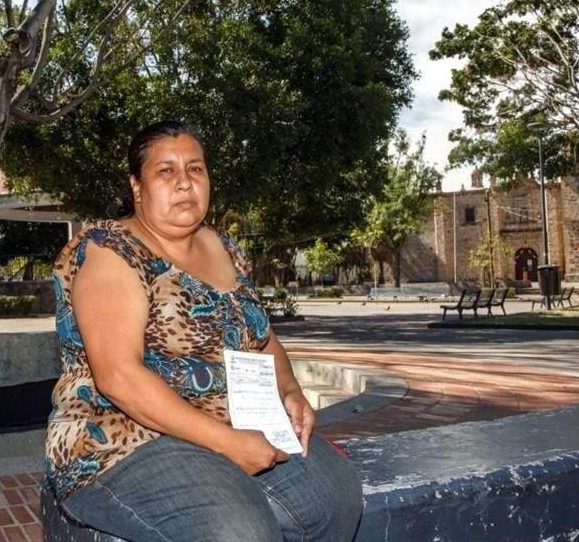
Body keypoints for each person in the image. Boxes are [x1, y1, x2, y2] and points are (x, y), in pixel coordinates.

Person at [45, 121, 362, 541]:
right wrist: (228, 443)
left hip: (235, 422)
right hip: (124, 438)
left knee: (334, 498)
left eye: (195, 169)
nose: (184, 183)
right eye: (166, 171)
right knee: (240, 534)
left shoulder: (225, 247)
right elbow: (118, 376)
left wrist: (289, 390)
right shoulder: (111, 251)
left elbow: (260, 337)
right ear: (136, 186)